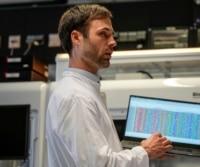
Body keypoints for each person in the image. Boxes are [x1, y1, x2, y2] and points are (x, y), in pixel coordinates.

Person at [46, 4, 173, 167]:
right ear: (77, 38)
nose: (113, 42)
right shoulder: (76, 97)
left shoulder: (84, 90)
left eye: (112, 36)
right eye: (103, 34)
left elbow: (98, 157)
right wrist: (145, 151)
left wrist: (147, 152)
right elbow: (100, 164)